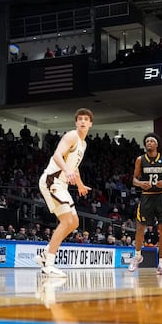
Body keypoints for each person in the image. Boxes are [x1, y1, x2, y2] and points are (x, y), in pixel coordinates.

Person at [36, 108, 94, 278]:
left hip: (62, 184)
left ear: (90, 124)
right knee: (66, 220)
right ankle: (49, 265)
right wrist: (67, 170)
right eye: (80, 119)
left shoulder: (83, 144)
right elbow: (56, 156)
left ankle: (46, 254)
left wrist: (81, 185)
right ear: (76, 122)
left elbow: (74, 167)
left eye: (86, 119)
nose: (83, 121)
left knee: (74, 222)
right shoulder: (71, 136)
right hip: (51, 180)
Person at [129, 132, 162, 274]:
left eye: (152, 141)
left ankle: (161, 264)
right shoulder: (140, 160)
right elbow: (134, 179)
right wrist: (140, 183)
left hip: (161, 197)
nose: (149, 143)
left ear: (156, 144)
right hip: (146, 197)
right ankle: (137, 256)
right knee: (140, 227)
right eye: (147, 141)